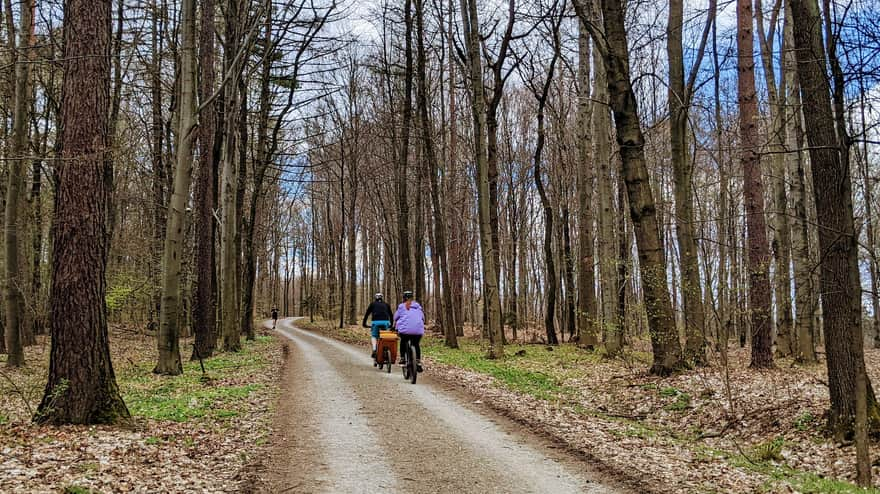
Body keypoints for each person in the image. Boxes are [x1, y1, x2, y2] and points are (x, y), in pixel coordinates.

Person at [394, 290, 424, 372]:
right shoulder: (418, 306)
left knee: (403, 341)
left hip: (405, 331)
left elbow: (395, 317)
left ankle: (403, 358)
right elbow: (423, 318)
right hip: (418, 331)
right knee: (416, 344)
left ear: (404, 298)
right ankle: (417, 361)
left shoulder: (401, 306)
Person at [362, 293, 393, 359]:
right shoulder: (386, 304)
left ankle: (374, 350)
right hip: (386, 322)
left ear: (375, 298)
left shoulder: (372, 304)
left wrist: (364, 324)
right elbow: (391, 315)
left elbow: (367, 314)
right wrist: (391, 324)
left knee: (374, 336)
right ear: (382, 298)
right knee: (385, 335)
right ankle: (386, 349)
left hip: (376, 322)